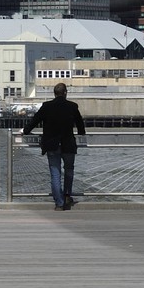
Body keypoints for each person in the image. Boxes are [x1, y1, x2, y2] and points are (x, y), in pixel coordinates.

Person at [23, 82, 86, 210]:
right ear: (65, 92)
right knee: (69, 170)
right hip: (68, 144)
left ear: (54, 93)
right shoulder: (72, 106)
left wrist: (25, 131)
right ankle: (67, 195)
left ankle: (59, 203)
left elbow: (34, 121)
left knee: (55, 173)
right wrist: (81, 134)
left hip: (52, 145)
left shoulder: (47, 106)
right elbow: (80, 125)